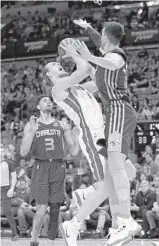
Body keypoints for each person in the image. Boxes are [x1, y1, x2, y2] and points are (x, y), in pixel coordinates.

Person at [45, 39, 137, 246]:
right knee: (109, 185)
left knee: (129, 173)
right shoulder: (59, 88)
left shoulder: (80, 86)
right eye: (55, 67)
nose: (59, 66)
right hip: (92, 137)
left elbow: (98, 79)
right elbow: (85, 67)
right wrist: (77, 54)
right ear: (49, 75)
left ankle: (86, 195)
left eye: (60, 64)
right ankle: (76, 223)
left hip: (103, 132)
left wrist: (103, 62)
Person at [72, 19, 141, 245]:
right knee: (113, 170)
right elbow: (101, 50)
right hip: (114, 115)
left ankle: (127, 219)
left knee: (115, 165)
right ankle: (119, 225)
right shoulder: (103, 57)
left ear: (105, 36)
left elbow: (113, 62)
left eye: (100, 35)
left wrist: (88, 57)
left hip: (120, 110)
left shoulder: (116, 55)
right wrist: (88, 29)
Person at [20, 95, 80, 246]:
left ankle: (50, 243)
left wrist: (77, 138)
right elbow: (23, 152)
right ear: (39, 107)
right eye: (45, 101)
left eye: (50, 101)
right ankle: (34, 239)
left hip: (58, 166)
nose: (49, 103)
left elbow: (73, 152)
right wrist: (32, 132)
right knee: (41, 208)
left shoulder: (62, 124)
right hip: (40, 166)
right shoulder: (32, 125)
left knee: (55, 208)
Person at [0, 145, 18, 240]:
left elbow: (14, 177)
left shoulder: (9, 163)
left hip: (5, 188)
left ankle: (15, 233)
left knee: (6, 210)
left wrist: (12, 188)